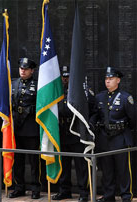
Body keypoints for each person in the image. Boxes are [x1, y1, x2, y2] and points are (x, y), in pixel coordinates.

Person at [91, 67, 134, 202]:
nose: (107, 81)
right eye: (106, 79)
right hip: (105, 138)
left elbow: (134, 118)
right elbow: (95, 115)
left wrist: (125, 130)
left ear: (118, 80)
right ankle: (108, 195)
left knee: (123, 170)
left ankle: (126, 196)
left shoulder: (126, 98)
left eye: (111, 79)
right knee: (107, 170)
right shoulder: (99, 97)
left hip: (120, 137)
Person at [54, 65, 94, 201]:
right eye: (64, 77)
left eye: (68, 76)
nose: (65, 79)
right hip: (62, 131)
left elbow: (93, 110)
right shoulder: (57, 92)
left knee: (81, 166)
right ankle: (64, 190)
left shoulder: (84, 91)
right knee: (64, 164)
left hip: (77, 132)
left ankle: (83, 193)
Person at [8, 57, 42, 199]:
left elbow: (42, 105)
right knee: (18, 160)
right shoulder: (13, 83)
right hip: (17, 127)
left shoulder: (38, 84)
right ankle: (19, 187)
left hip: (31, 127)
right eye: (21, 68)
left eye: (26, 69)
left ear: (32, 71)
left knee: (34, 161)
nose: (23, 71)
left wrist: (30, 109)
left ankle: (35, 188)